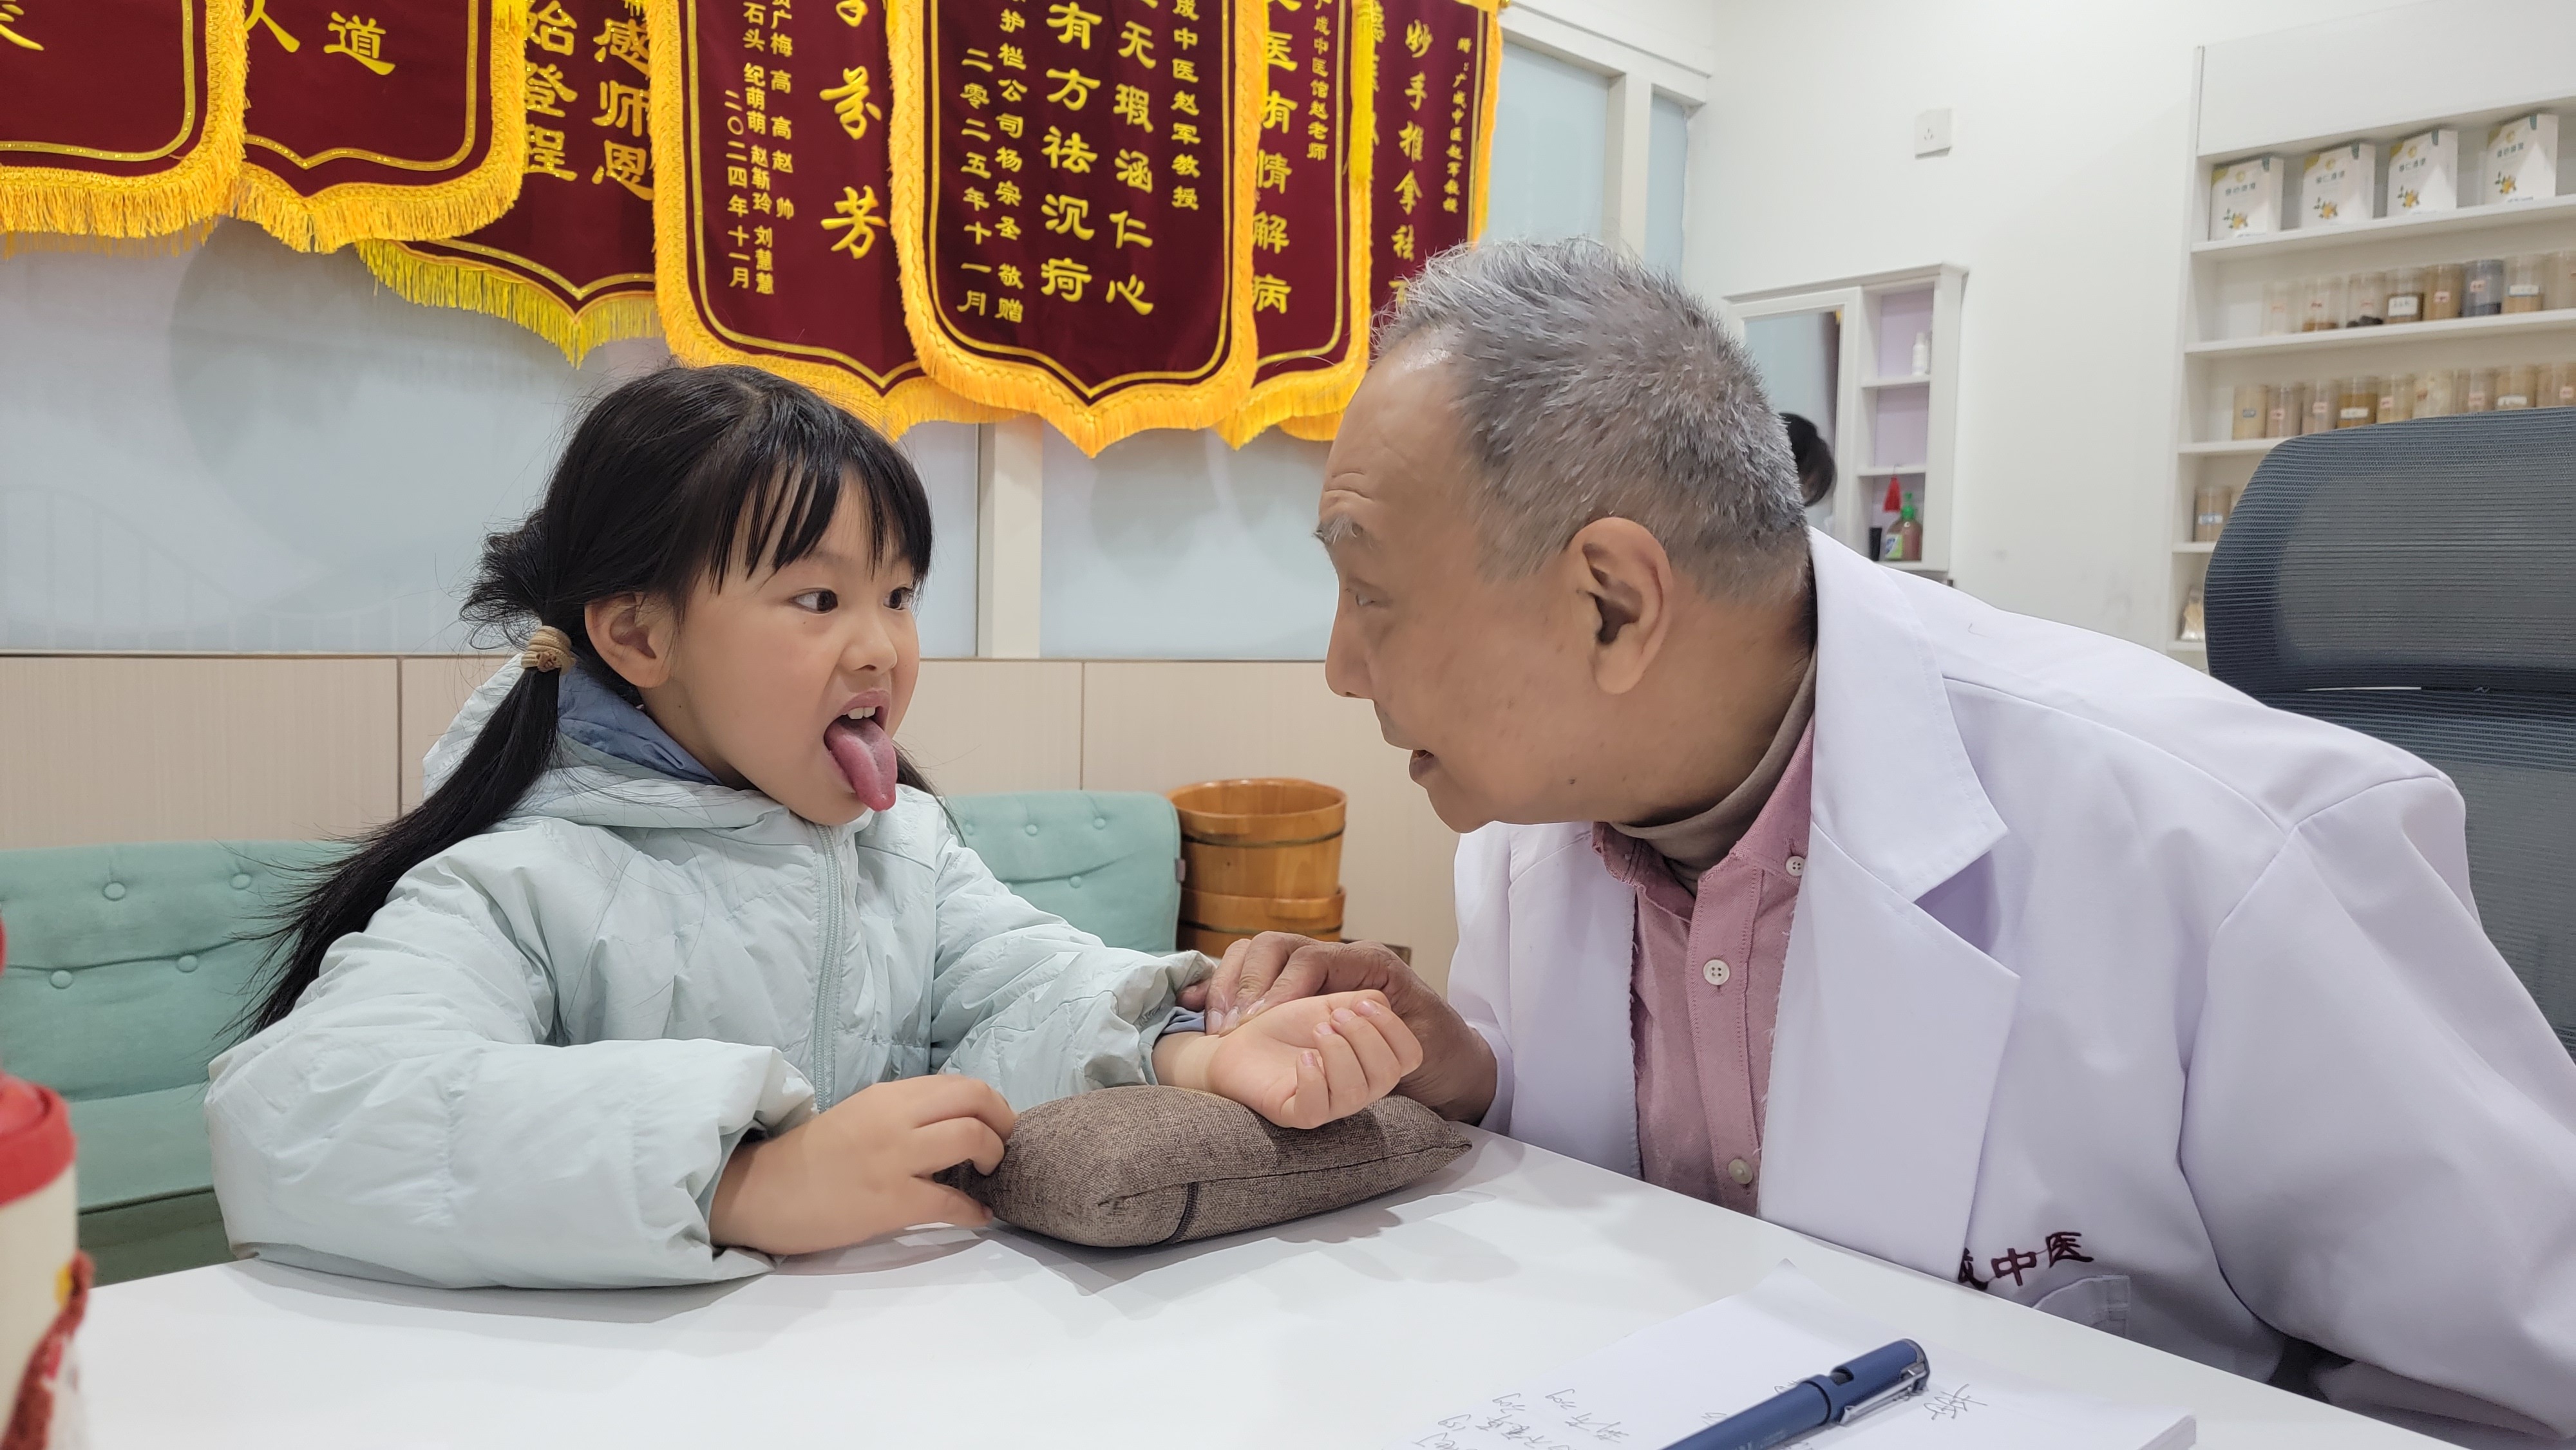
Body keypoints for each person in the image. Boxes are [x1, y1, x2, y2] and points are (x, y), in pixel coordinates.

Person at [1192, 240, 2576, 1440]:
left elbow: (2521, 1393)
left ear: (1611, 603)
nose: (1339, 669)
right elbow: (1632, 1213)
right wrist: (1467, 1079)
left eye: (1369, 595)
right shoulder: (1530, 832)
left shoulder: (2224, 845)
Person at [207, 365, 1421, 1290]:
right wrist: (742, 1182)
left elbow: (1017, 986)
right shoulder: (520, 880)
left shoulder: (901, 846)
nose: (881, 647)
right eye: (818, 597)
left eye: (897, 595)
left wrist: (1195, 1049)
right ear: (639, 635)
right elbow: (303, 1115)